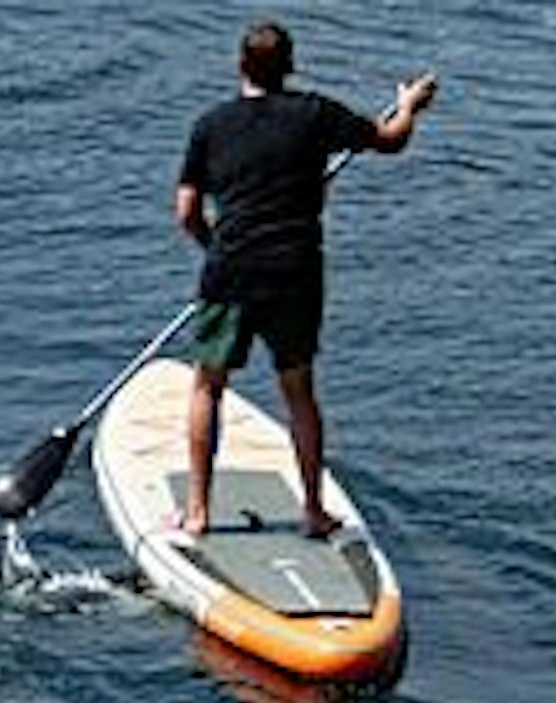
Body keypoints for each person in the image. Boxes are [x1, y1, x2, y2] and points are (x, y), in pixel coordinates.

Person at [175, 22, 437, 538]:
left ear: (241, 67)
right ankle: (313, 511)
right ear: (289, 67)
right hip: (296, 272)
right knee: (298, 391)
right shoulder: (315, 114)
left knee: (207, 386)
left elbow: (186, 211)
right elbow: (391, 140)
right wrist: (408, 105)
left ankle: (198, 513)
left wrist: (219, 249)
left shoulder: (211, 125)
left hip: (230, 272)